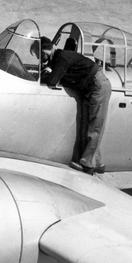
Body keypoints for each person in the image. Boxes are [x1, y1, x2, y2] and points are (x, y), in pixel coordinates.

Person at [38, 37, 112, 173]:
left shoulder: (62, 57)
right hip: (88, 88)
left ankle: (88, 166)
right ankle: (99, 164)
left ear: (45, 51)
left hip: (97, 86)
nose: (39, 58)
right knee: (86, 125)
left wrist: (44, 73)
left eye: (39, 54)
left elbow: (52, 81)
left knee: (94, 126)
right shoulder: (58, 58)